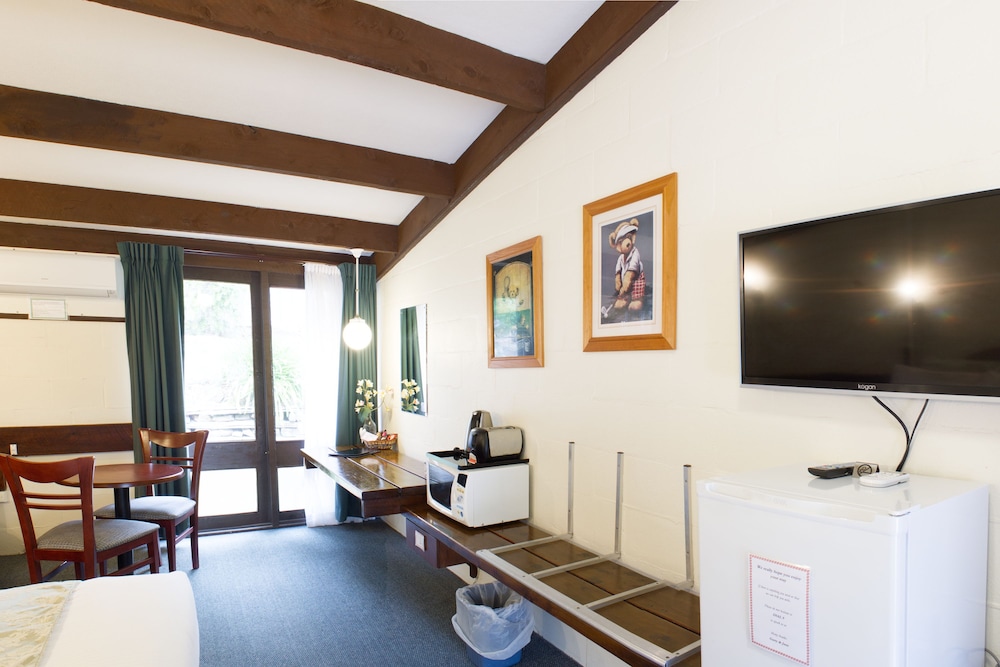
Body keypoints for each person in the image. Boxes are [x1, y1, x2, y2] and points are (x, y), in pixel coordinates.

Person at [602, 218, 645, 322]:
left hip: (635, 280)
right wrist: (618, 283)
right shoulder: (620, 258)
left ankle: (636, 300)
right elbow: (618, 272)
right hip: (625, 284)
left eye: (629, 237)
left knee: (635, 302)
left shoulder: (635, 253)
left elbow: (630, 273)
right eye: (621, 241)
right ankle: (624, 300)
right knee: (620, 303)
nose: (627, 242)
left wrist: (623, 288)